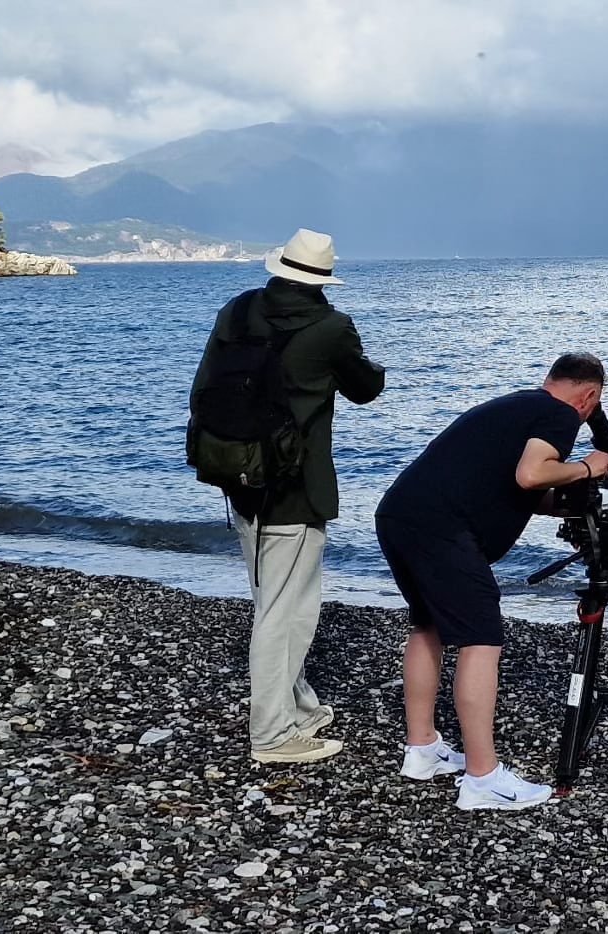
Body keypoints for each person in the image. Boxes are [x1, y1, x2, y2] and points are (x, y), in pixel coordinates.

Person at [375, 353, 608, 810]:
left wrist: (574, 499)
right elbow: (531, 474)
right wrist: (589, 467)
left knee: (427, 624)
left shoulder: (518, 405)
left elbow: (518, 488)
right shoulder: (560, 414)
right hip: (442, 528)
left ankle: (423, 750)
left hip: (400, 513)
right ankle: (483, 779)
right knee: (482, 638)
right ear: (590, 396)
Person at [190, 228, 385, 763]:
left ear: (281, 267)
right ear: (322, 278)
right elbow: (366, 388)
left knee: (272, 600)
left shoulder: (238, 310)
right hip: (296, 487)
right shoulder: (331, 327)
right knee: (285, 611)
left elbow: (203, 387)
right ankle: (273, 735)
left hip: (238, 474)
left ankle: (298, 707)